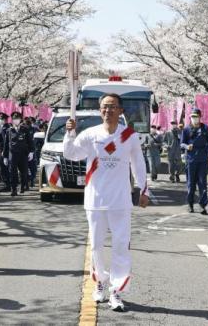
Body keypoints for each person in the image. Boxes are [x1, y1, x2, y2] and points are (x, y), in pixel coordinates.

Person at [63, 93, 149, 312]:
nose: (107, 110)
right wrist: (69, 133)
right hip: (95, 199)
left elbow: (138, 164)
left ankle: (117, 291)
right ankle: (100, 282)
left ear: (120, 110)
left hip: (120, 200)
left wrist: (143, 189)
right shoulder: (90, 134)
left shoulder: (129, 135)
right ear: (99, 110)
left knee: (121, 246)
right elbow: (71, 154)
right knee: (97, 246)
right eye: (104, 107)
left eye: (112, 106)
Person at [180, 108, 208, 214]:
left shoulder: (206, 128)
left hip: (202, 160)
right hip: (191, 160)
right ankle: (190, 204)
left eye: (196, 116)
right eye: (192, 116)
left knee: (202, 183)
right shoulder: (186, 129)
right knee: (191, 183)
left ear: (200, 117)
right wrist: (186, 146)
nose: (194, 118)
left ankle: (203, 205)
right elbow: (182, 143)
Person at [2, 112, 35, 195]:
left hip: (23, 154)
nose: (16, 120)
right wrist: (5, 156)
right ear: (12, 120)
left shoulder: (25, 129)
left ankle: (23, 185)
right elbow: (6, 144)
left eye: (17, 119)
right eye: (14, 119)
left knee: (23, 172)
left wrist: (31, 152)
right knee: (12, 172)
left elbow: (30, 141)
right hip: (12, 154)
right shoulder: (9, 130)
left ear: (20, 119)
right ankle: (14, 189)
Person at [0, 113, 12, 193]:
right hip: (1, 150)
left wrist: (3, 152)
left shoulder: (5, 128)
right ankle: (7, 184)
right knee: (3, 168)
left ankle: (7, 185)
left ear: (4, 120)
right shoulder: (1, 127)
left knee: (4, 169)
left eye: (1, 119)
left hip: (4, 151)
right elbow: (0, 140)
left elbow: (6, 142)